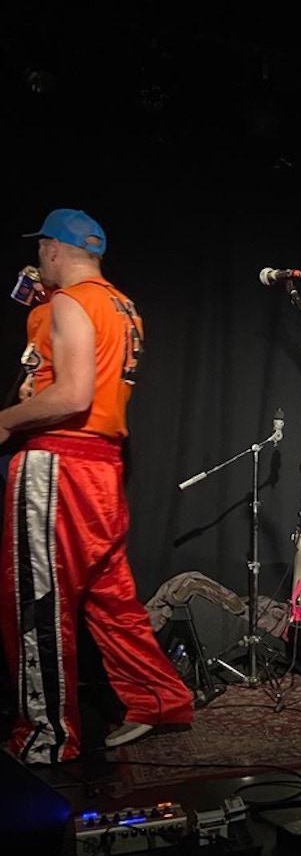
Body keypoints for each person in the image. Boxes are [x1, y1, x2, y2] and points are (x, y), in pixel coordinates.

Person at [0, 208, 195, 764]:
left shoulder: (70, 302)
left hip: (60, 462)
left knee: (37, 603)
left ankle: (45, 737)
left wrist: (6, 421)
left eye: (41, 250)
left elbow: (72, 395)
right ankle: (159, 700)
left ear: (54, 249)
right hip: (103, 467)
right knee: (111, 599)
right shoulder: (122, 306)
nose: (38, 259)